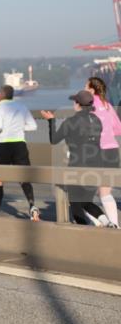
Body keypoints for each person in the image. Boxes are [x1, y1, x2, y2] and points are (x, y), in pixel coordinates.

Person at [40, 91, 111, 226]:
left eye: (75, 101)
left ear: (78, 104)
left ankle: (84, 230)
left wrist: (51, 121)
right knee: (85, 201)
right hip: (96, 165)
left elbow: (54, 140)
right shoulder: (96, 120)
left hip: (78, 165)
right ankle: (106, 222)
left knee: (75, 202)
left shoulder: (71, 121)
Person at [0, 85, 39, 220]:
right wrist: (18, 128)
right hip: (19, 145)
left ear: (2, 94)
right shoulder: (22, 106)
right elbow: (33, 126)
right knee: (23, 178)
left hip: (3, 146)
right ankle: (32, 206)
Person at [87, 76, 121, 226]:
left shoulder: (86, 105)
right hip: (112, 150)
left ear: (92, 90)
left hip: (95, 151)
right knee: (105, 192)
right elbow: (118, 128)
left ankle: (98, 222)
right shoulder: (107, 105)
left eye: (85, 87)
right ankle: (115, 225)